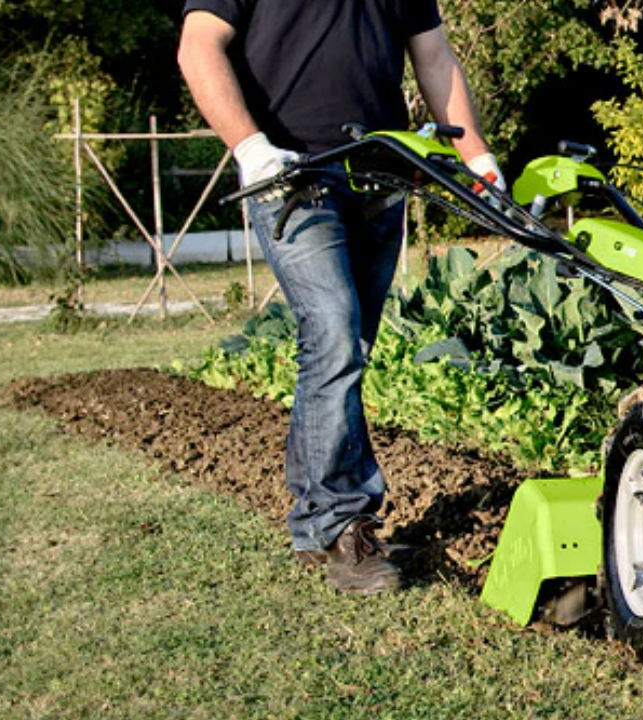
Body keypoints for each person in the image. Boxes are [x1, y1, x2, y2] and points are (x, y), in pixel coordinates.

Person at [177, 0, 501, 595]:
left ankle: (313, 524)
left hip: (380, 174)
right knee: (332, 326)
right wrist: (250, 147)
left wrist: (475, 154)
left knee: (345, 343)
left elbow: (433, 57)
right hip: (291, 177)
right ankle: (341, 523)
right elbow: (198, 47)